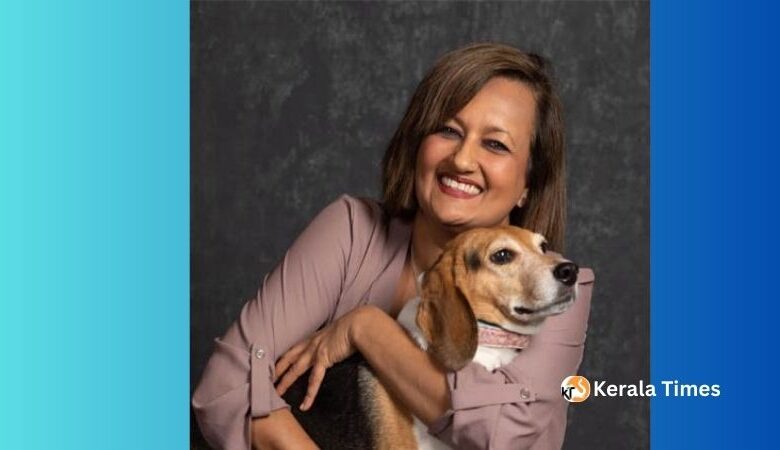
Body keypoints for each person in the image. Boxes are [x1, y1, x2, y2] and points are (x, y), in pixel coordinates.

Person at [192, 42, 595, 450]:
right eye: (448, 130)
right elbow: (224, 387)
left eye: (495, 144)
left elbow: (502, 434)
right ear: (418, 143)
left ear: (528, 184)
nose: (462, 160)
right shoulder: (352, 232)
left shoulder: (559, 286)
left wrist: (367, 329)